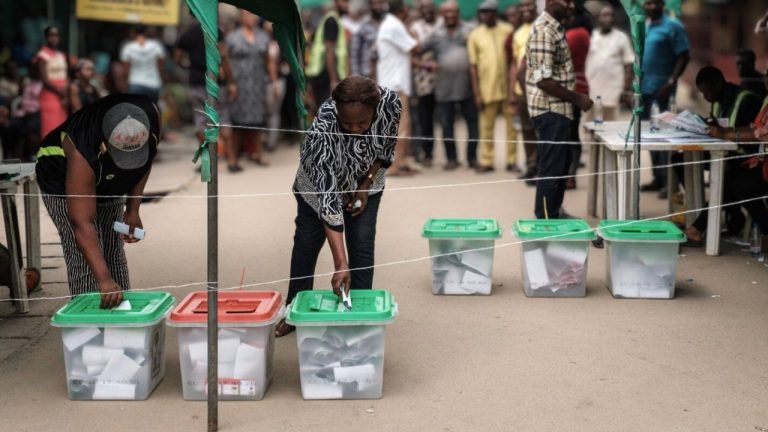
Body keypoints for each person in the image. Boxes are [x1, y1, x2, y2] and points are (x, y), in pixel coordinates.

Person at [275, 76, 400, 337]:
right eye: (347, 123)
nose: (355, 129)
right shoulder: (325, 125)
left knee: (362, 245)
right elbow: (328, 198)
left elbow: (386, 148)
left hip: (366, 180)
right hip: (317, 187)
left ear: (375, 109)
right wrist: (340, 264)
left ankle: (362, 315)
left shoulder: (390, 103)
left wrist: (365, 184)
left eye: (362, 123)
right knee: (306, 246)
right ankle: (294, 310)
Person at [35, 94, 160, 308]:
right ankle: (89, 329)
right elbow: (82, 224)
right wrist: (104, 280)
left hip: (106, 175)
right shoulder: (82, 148)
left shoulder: (151, 115)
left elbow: (144, 163)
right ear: (104, 144)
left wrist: (133, 209)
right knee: (85, 258)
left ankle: (123, 319)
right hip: (61, 176)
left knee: (113, 248)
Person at [682, 66, 764, 248]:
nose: (705, 97)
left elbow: (755, 133)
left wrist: (726, 133)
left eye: (707, 92)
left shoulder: (748, 100)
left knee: (732, 180)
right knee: (680, 161)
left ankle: (698, 228)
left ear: (718, 84)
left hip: (748, 157)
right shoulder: (718, 100)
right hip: (727, 153)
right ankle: (731, 217)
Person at [526, 0, 593, 219]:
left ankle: (553, 211)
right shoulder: (544, 31)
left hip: (559, 110)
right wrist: (578, 99)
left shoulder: (555, 27)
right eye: (568, 1)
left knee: (560, 164)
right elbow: (544, 81)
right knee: (552, 167)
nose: (572, 6)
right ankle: (546, 217)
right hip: (549, 110)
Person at [640, 0, 690, 198]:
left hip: (662, 90)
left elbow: (684, 55)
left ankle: (669, 183)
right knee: (649, 135)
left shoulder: (673, 26)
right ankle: (658, 178)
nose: (650, 6)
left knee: (664, 136)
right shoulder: (645, 26)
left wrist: (671, 81)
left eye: (654, 3)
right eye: (647, 3)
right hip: (644, 89)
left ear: (662, 4)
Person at [422, 1, 477, 170]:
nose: (450, 16)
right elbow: (416, 51)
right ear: (442, 14)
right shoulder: (435, 34)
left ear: (458, 13)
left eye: (453, 12)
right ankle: (451, 159)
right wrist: (426, 64)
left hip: (467, 88)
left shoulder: (470, 30)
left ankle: (472, 158)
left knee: (473, 125)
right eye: (446, 13)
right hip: (444, 89)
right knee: (447, 126)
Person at [174, 21, 236, 164]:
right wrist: (231, 81)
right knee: (224, 119)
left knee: (201, 122)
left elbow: (177, 59)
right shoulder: (215, 31)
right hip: (216, 82)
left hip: (196, 82)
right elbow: (224, 56)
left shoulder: (187, 35)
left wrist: (190, 67)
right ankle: (232, 160)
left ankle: (207, 161)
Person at [469, 0, 517, 174]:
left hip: (508, 89)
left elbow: (515, 60)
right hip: (486, 89)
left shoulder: (508, 30)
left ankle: (512, 160)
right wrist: (476, 94)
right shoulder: (475, 35)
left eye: (489, 12)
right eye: (483, 12)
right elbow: (473, 66)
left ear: (496, 13)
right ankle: (487, 160)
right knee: (486, 128)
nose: (486, 15)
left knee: (512, 128)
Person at [376, 0, 418, 176]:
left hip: (391, 85)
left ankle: (402, 162)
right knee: (400, 128)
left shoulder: (388, 24)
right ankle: (395, 166)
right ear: (404, 10)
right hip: (395, 86)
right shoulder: (395, 26)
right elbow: (416, 46)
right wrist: (410, 27)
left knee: (397, 127)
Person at [226, 11, 271, 171]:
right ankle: (232, 159)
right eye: (247, 15)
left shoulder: (263, 36)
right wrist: (229, 82)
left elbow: (268, 60)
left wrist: (272, 81)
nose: (251, 17)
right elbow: (225, 60)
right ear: (241, 16)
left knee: (257, 121)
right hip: (239, 85)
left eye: (254, 15)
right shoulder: (232, 37)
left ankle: (258, 153)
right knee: (237, 123)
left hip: (257, 84)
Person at [585, 5, 634, 122]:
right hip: (592, 90)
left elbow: (629, 65)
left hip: (613, 91)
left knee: (610, 126)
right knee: (589, 125)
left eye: (611, 16)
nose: (608, 19)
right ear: (598, 19)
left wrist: (626, 89)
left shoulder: (621, 38)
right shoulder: (591, 36)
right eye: (604, 15)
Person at [508, 0, 538, 181]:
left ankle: (542, 167)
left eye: (529, 6)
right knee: (526, 130)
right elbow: (514, 64)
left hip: (540, 89)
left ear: (535, 8)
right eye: (523, 7)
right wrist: (512, 92)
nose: (526, 10)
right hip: (521, 91)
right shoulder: (518, 33)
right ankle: (531, 166)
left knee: (540, 130)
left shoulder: (540, 27)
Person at [411, 0, 441, 168]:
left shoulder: (442, 24)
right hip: (423, 81)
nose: (427, 11)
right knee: (425, 119)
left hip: (444, 80)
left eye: (430, 8)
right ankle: (427, 153)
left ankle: (451, 156)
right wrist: (425, 65)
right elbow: (411, 55)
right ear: (420, 10)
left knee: (446, 119)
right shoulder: (415, 28)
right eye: (424, 8)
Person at [564, 5, 590, 190]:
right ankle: (569, 175)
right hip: (577, 85)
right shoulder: (582, 32)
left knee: (570, 133)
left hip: (572, 88)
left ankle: (570, 175)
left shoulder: (575, 34)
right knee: (571, 133)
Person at [306, 0, 349, 111]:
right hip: (325, 76)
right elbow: (329, 51)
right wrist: (333, 80)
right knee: (326, 114)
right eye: (344, 1)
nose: (347, 5)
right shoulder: (332, 20)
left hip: (323, 75)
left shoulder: (332, 19)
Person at [34, 26, 68, 139]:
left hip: (63, 94)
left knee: (61, 126)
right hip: (50, 94)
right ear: (46, 37)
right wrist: (60, 91)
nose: (54, 38)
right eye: (51, 36)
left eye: (56, 35)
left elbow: (65, 74)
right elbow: (44, 79)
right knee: (50, 127)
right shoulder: (42, 55)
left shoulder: (61, 55)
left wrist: (66, 91)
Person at [120, 25, 165, 105]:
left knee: (136, 112)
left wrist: (125, 87)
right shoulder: (156, 45)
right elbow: (161, 66)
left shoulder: (128, 47)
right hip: (154, 84)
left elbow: (126, 70)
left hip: (135, 84)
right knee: (153, 111)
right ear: (145, 32)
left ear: (133, 33)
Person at [350, 0, 386, 78]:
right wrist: (355, 76)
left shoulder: (389, 23)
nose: (378, 7)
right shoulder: (362, 25)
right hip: (367, 73)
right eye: (375, 4)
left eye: (380, 3)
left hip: (385, 72)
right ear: (370, 5)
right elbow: (354, 52)